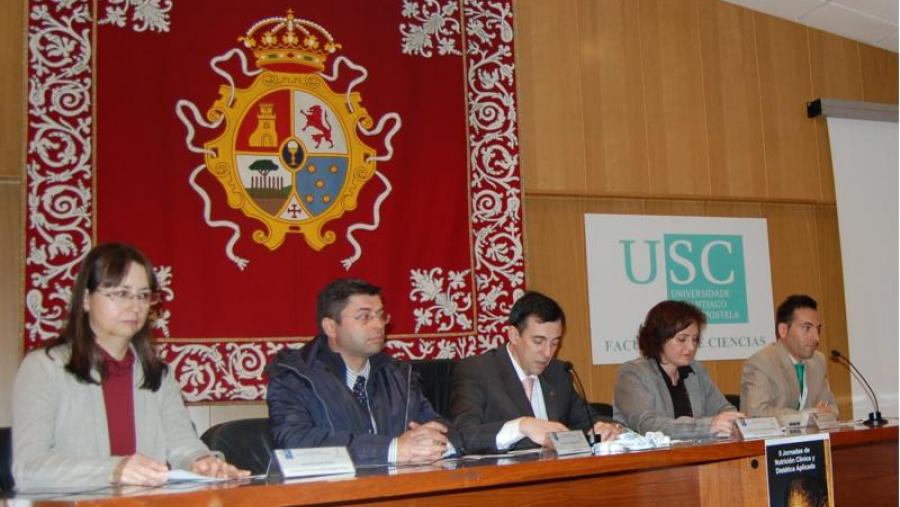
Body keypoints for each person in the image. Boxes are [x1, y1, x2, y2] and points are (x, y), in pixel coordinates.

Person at [12, 243, 248, 490]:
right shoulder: (44, 367)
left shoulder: (158, 374)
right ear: (85, 299)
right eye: (121, 294)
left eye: (143, 296)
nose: (134, 306)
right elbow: (28, 469)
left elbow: (183, 445)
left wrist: (202, 462)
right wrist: (115, 470)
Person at [267, 278, 462, 465]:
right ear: (331, 327)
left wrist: (437, 442)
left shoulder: (399, 375)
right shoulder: (293, 377)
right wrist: (391, 450)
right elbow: (294, 441)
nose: (378, 325)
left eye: (380, 316)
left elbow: (440, 427)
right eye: (364, 317)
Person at [450, 291, 621, 453]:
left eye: (554, 343)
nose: (548, 353)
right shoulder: (478, 370)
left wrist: (605, 428)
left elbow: (591, 419)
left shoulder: (558, 372)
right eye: (538, 341)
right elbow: (464, 436)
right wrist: (521, 426)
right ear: (514, 335)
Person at [613, 300, 743, 436]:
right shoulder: (633, 374)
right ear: (659, 338)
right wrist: (707, 426)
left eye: (695, 339)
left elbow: (723, 408)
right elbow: (647, 424)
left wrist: (733, 420)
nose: (691, 347)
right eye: (682, 339)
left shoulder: (696, 370)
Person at [740, 294, 838, 418]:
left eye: (818, 329)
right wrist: (805, 416)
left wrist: (824, 413)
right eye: (807, 328)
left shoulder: (818, 361)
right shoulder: (762, 362)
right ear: (783, 330)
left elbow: (831, 407)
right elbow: (756, 413)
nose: (816, 338)